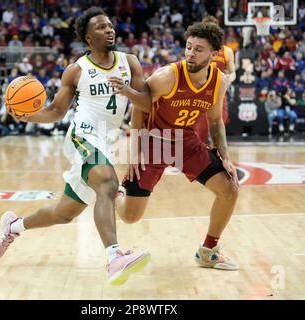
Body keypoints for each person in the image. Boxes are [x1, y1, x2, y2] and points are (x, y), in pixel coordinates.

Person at [0, 7, 151, 286]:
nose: (109, 29)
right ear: (89, 38)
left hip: (108, 139)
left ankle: (13, 226)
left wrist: (127, 92)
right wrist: (28, 115)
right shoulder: (77, 70)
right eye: (101, 27)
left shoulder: (130, 63)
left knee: (64, 214)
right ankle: (114, 257)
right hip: (84, 134)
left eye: (110, 25)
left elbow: (146, 103)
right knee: (107, 183)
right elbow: (55, 111)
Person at [115, 22, 240, 270]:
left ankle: (208, 251)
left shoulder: (219, 81)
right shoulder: (165, 77)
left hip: (186, 141)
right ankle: (114, 193)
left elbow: (215, 120)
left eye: (199, 49)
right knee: (130, 217)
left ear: (214, 53)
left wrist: (225, 157)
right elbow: (139, 108)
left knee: (230, 189)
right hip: (154, 143)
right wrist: (135, 152)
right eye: (189, 47)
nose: (191, 53)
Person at [197, 16, 236, 143]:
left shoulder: (226, 51)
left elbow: (232, 72)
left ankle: (219, 159)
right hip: (201, 94)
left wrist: (227, 80)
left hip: (218, 94)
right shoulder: (197, 50)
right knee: (200, 133)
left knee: (218, 130)